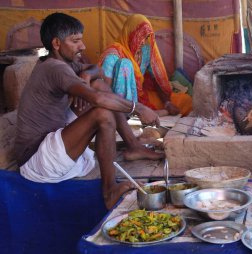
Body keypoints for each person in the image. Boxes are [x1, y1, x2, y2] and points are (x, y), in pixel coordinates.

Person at [14, 12, 164, 210]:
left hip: (50, 140)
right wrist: (138, 108)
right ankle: (109, 191)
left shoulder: (61, 62)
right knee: (103, 113)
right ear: (57, 43)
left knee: (100, 85)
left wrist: (86, 74)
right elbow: (97, 100)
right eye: (75, 41)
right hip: (37, 159)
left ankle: (133, 145)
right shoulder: (55, 69)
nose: (82, 46)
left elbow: (97, 70)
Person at [98, 14, 192, 117]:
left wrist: (167, 103)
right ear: (130, 33)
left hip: (141, 96)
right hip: (120, 102)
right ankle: (136, 115)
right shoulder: (112, 55)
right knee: (125, 64)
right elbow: (105, 90)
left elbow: (156, 79)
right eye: (140, 36)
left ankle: (156, 113)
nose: (143, 42)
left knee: (185, 101)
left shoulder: (145, 52)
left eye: (146, 37)